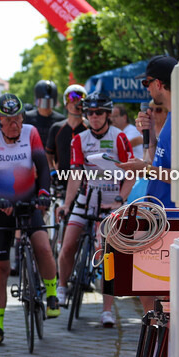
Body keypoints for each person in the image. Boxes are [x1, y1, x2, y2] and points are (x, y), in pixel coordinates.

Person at [0, 93, 59, 345]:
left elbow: (42, 167)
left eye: (19, 117)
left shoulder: (31, 133)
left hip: (28, 202)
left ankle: (52, 295)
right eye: (9, 119)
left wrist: (44, 193)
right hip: (0, 207)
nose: (15, 124)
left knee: (43, 246)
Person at [56, 92, 133, 327]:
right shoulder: (79, 139)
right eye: (89, 113)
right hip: (86, 198)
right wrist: (67, 205)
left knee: (107, 255)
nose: (94, 116)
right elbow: (76, 175)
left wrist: (120, 199)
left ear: (108, 114)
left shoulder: (119, 138)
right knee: (68, 244)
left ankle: (107, 310)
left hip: (111, 200)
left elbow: (130, 173)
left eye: (99, 112)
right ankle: (62, 287)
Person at [121, 55, 179, 218]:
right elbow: (164, 163)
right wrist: (151, 138)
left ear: (158, 83)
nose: (147, 89)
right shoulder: (176, 114)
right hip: (169, 219)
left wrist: (147, 170)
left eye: (147, 83)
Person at [46, 84, 87, 178]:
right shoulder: (56, 128)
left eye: (80, 100)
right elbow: (48, 154)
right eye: (72, 99)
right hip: (62, 180)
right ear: (66, 103)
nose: (76, 104)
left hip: (84, 181)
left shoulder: (90, 128)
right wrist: (52, 170)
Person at [25, 80, 65, 149]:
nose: (46, 107)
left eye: (49, 103)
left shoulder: (61, 120)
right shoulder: (27, 118)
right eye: (43, 103)